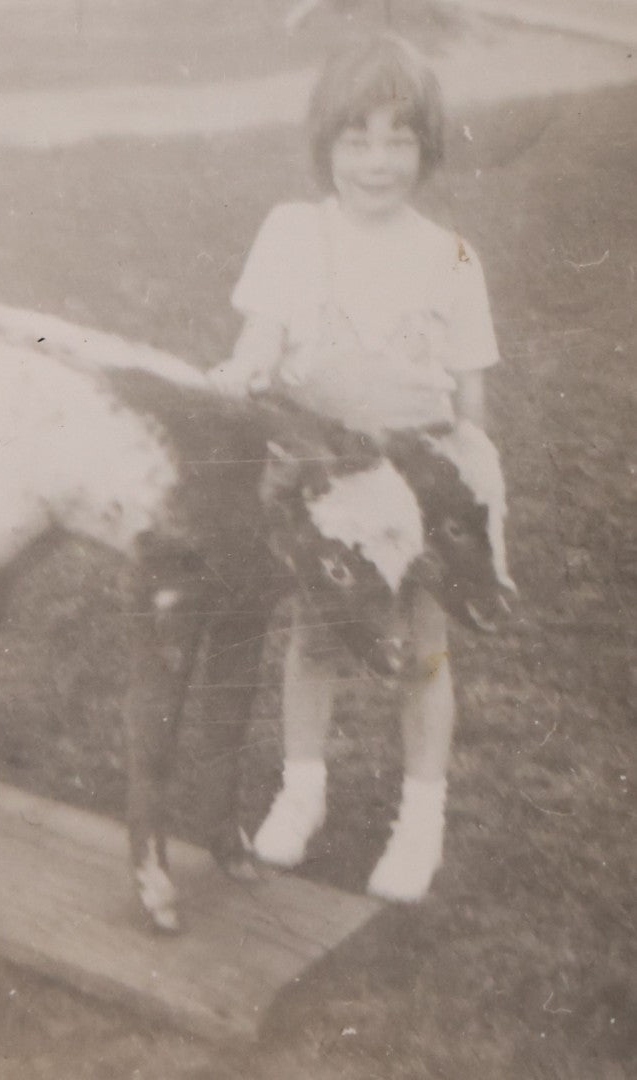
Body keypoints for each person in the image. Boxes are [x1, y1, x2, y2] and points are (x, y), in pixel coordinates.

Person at [212, 35, 502, 901]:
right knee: (314, 637)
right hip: (322, 477)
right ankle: (302, 793)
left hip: (414, 480)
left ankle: (421, 819)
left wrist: (460, 484)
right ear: (324, 144)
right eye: (355, 139)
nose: (376, 162)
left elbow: (469, 400)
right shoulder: (293, 232)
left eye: (398, 138)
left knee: (420, 649)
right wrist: (245, 372)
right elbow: (256, 344)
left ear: (428, 145)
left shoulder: (450, 256)